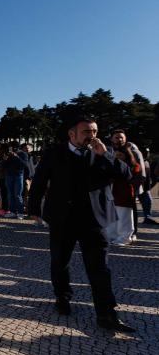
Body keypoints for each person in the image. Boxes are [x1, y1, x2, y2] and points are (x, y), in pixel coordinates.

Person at [28, 117, 134, 333]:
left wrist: (105, 155)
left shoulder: (103, 152)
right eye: (86, 131)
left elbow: (126, 174)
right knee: (60, 261)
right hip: (62, 218)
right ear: (72, 134)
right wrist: (34, 209)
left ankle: (107, 314)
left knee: (100, 268)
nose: (92, 135)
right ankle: (62, 297)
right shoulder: (54, 153)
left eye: (94, 130)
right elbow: (39, 181)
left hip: (94, 219)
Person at [109, 129, 146, 240]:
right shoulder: (108, 151)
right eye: (116, 137)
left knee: (129, 211)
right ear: (112, 139)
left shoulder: (133, 151)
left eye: (121, 137)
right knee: (113, 211)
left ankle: (132, 233)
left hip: (128, 186)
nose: (119, 139)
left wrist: (135, 186)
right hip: (112, 187)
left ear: (125, 139)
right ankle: (114, 233)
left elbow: (140, 171)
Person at [106, 146, 140, 245]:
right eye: (115, 155)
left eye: (120, 155)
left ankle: (125, 237)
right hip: (113, 193)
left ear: (127, 156)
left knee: (124, 217)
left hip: (125, 194)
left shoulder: (134, 166)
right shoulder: (112, 164)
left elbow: (134, 179)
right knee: (112, 218)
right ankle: (113, 236)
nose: (117, 157)